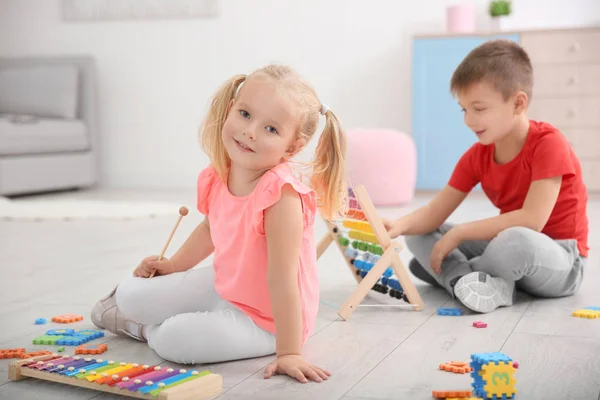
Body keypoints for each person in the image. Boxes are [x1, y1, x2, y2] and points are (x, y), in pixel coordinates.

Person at [91, 64, 348, 383]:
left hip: (267, 319)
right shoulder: (220, 173)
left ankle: (148, 327)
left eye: (271, 129)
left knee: (175, 339)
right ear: (230, 109)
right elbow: (211, 229)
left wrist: (289, 352)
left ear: (292, 147)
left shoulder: (282, 197)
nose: (251, 131)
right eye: (245, 114)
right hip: (225, 287)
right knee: (129, 293)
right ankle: (149, 319)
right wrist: (172, 266)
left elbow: (284, 280)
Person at [385, 40, 588, 313]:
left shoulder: (548, 144)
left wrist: (459, 234)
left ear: (518, 103)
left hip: (560, 260)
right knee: (418, 236)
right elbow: (435, 210)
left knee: (515, 239)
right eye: (464, 109)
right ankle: (476, 281)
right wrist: (397, 226)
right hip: (504, 252)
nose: (468, 120)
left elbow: (532, 221)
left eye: (479, 109)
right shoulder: (477, 155)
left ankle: (453, 275)